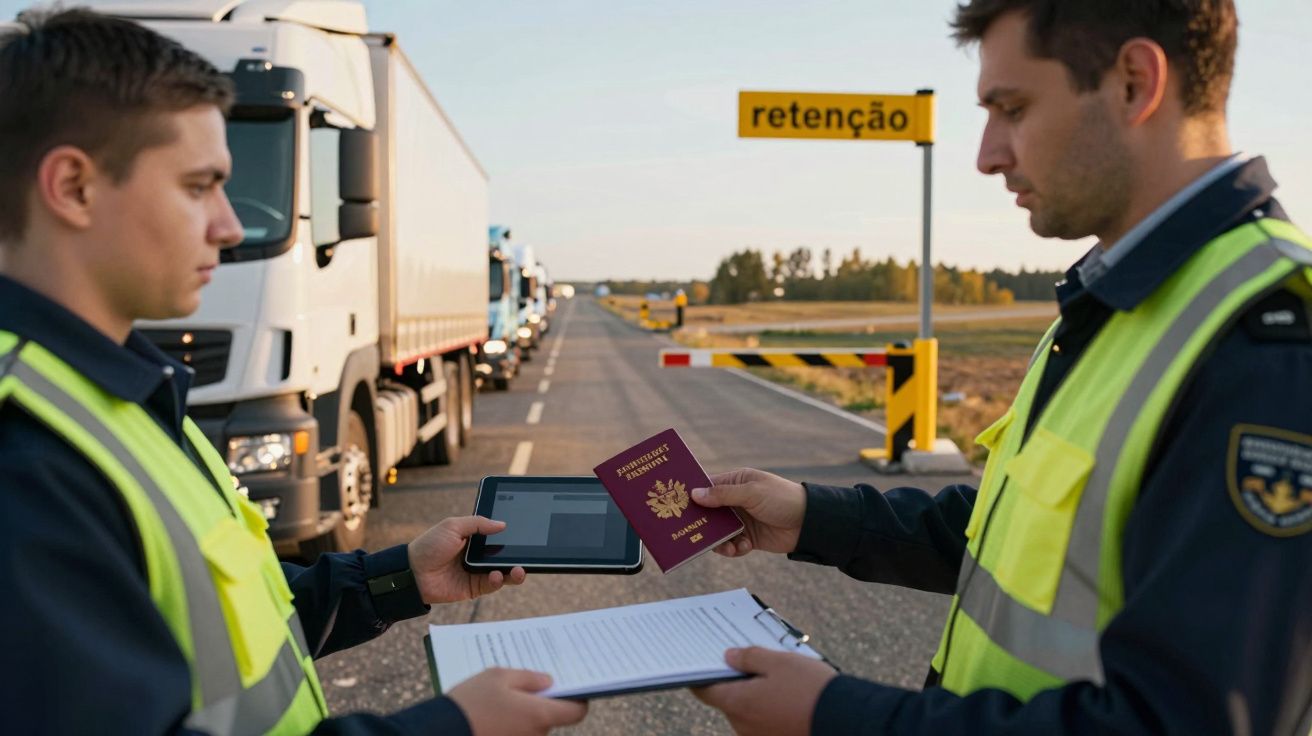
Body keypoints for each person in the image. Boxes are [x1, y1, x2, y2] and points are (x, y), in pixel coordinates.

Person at [691, 1, 1312, 733]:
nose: (987, 154)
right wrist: (809, 516)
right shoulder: (1119, 302)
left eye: (1011, 109)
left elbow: (1184, 722)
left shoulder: (1267, 345)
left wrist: (836, 717)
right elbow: (1014, 538)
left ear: (1135, 83)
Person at [0, 9, 586, 735]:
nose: (231, 224)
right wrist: (446, 728)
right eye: (199, 186)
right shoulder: (24, 456)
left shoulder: (111, 395)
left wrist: (396, 578)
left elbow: (229, 613)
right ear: (73, 187)